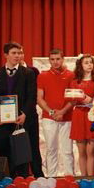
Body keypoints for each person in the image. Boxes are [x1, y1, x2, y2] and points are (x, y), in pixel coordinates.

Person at [0, 42, 37, 176]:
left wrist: (25, 114)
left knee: (22, 152)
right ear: (6, 55)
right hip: (3, 120)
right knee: (4, 150)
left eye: (19, 53)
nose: (17, 56)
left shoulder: (28, 73)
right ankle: (6, 180)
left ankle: (22, 180)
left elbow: (31, 96)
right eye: (14, 53)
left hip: (20, 119)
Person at [37, 49, 75, 177]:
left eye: (58, 59)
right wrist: (52, 112)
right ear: (49, 60)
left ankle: (70, 177)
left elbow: (73, 98)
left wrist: (62, 112)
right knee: (51, 149)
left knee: (67, 150)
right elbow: (39, 98)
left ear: (62, 59)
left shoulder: (71, 75)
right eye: (52, 59)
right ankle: (51, 178)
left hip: (67, 117)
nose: (55, 62)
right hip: (49, 117)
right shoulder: (43, 76)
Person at [69, 54, 94, 176]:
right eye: (86, 63)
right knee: (81, 151)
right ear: (80, 65)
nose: (89, 65)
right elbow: (72, 99)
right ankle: (83, 178)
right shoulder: (74, 82)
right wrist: (81, 98)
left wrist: (91, 100)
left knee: (91, 151)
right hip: (79, 115)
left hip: (92, 115)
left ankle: (90, 178)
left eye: (91, 62)